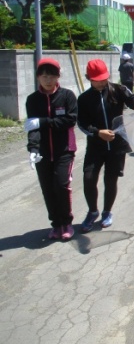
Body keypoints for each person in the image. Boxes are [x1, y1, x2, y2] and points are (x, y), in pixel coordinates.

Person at [77, 59, 134, 232]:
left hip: (117, 145)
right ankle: (92, 211)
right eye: (96, 79)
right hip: (95, 146)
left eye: (103, 78)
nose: (101, 82)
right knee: (89, 178)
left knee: (111, 179)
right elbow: (82, 123)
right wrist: (98, 133)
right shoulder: (84, 99)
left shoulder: (118, 90)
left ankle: (107, 212)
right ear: (88, 78)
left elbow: (133, 97)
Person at [25, 58, 78, 240]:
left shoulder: (67, 96)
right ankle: (56, 225)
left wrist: (44, 121)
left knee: (61, 186)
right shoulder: (33, 100)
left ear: (58, 77)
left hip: (64, 150)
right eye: (44, 76)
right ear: (38, 77)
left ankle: (67, 222)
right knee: (47, 188)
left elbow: (70, 120)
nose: (48, 80)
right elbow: (32, 127)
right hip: (43, 152)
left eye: (52, 76)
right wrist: (33, 148)